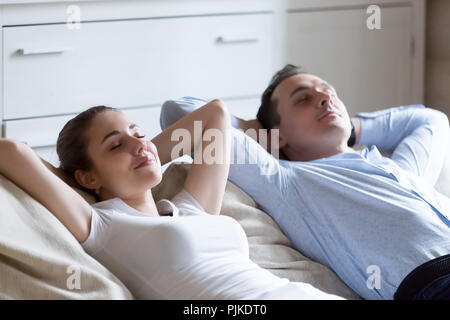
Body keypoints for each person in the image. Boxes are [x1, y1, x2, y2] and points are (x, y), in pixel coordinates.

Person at [0, 99, 343, 300]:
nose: (138, 143)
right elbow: (11, 151)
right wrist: (80, 184)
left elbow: (216, 116)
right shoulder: (102, 225)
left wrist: (143, 155)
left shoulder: (191, 208)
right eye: (115, 144)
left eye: (140, 133)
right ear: (87, 177)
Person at [160, 65, 450, 300]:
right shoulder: (289, 183)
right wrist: (261, 133)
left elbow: (430, 121)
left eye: (329, 93)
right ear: (278, 135)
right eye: (303, 99)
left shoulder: (403, 169)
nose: (325, 99)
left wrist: (350, 129)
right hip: (435, 282)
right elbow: (180, 113)